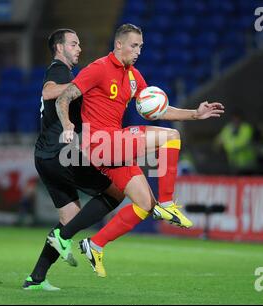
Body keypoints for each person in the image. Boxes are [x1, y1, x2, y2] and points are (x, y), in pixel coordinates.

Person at [56, 23, 224, 277]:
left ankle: (95, 244)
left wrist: (195, 114)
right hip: (100, 142)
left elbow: (159, 110)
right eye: (134, 46)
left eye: (141, 47)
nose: (138, 51)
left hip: (114, 147)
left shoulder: (134, 76)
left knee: (144, 204)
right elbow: (63, 98)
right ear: (119, 44)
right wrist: (68, 124)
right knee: (171, 137)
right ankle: (167, 203)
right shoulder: (98, 68)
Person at [23, 29, 124, 290]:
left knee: (70, 216)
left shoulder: (64, 72)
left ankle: (36, 278)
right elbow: (48, 92)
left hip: (44, 156)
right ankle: (62, 236)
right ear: (59, 47)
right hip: (60, 152)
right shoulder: (59, 69)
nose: (79, 48)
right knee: (116, 191)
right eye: (73, 43)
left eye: (79, 43)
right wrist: (83, 86)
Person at [215, 110, 257, 175]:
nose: (235, 120)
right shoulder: (228, 128)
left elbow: (243, 142)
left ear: (241, 119)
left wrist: (228, 144)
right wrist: (219, 144)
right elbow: (219, 140)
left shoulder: (246, 127)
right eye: (233, 118)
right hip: (234, 163)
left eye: (237, 118)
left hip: (247, 164)